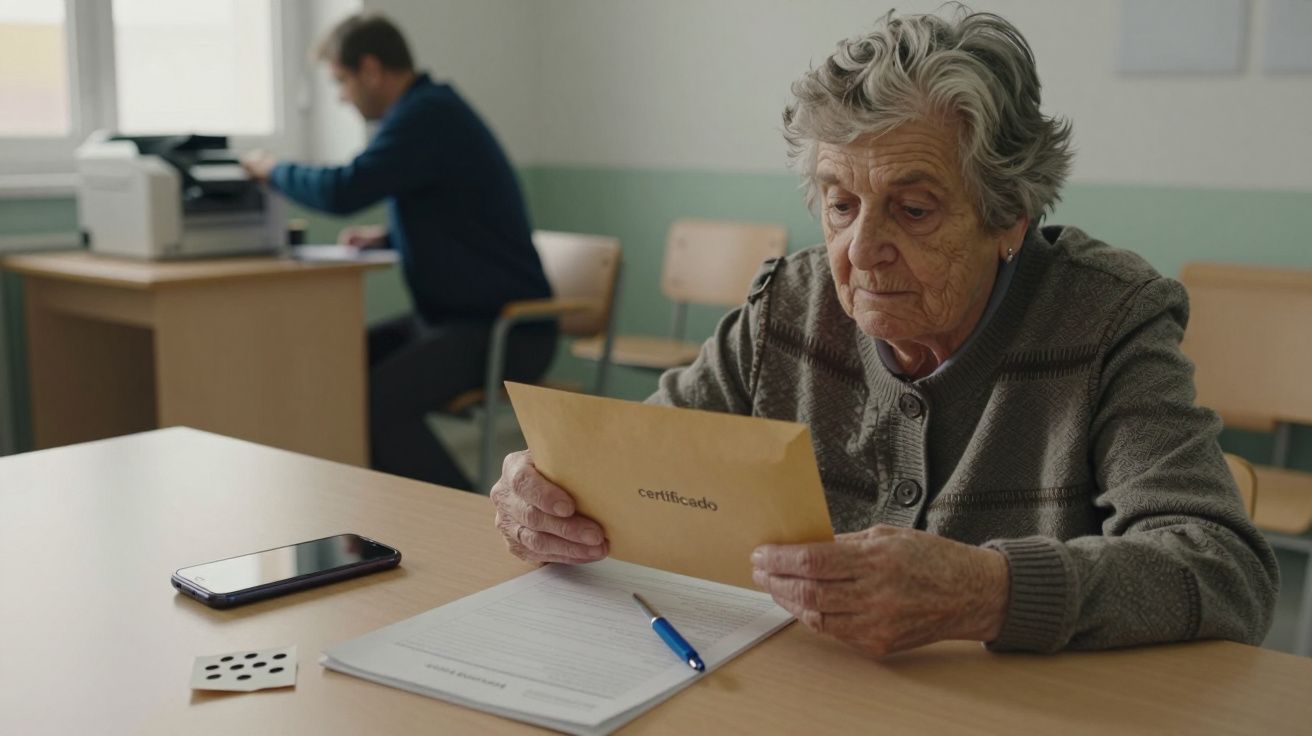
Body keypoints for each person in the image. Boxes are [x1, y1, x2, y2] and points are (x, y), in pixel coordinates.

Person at [488, 8, 1279, 656]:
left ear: (1010, 216)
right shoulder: (788, 305)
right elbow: (634, 460)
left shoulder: (1108, 319)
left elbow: (1225, 570)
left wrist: (986, 592)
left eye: (914, 208)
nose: (861, 251)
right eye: (840, 204)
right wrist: (550, 493)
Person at [242, 14, 556, 491]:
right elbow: (457, 214)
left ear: (370, 69)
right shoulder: (426, 113)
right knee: (335, 364)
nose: (341, 97)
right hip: (454, 319)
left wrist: (272, 169)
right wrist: (389, 238)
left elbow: (343, 189)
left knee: (375, 405)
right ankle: (367, 505)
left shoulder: (427, 117)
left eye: (341, 81)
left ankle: (465, 517)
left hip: (504, 329)